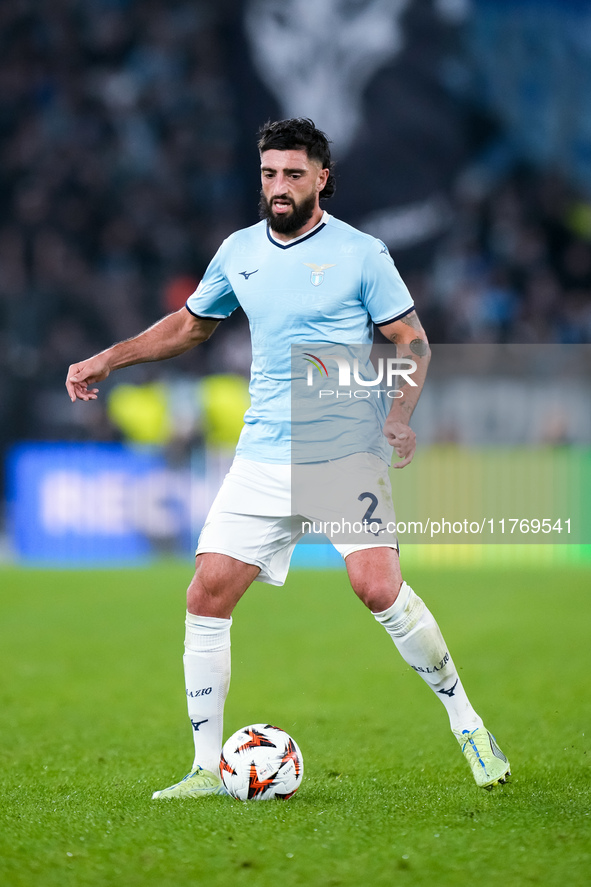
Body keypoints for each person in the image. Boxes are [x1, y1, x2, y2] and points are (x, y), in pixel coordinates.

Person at [66, 118, 510, 795]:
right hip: (262, 452)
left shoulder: (363, 253)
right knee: (206, 592)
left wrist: (396, 413)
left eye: (293, 174)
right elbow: (190, 323)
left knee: (375, 587)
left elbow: (411, 341)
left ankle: (467, 722)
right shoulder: (238, 250)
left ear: (321, 177)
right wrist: (109, 357)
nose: (278, 185)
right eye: (270, 173)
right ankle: (204, 767)